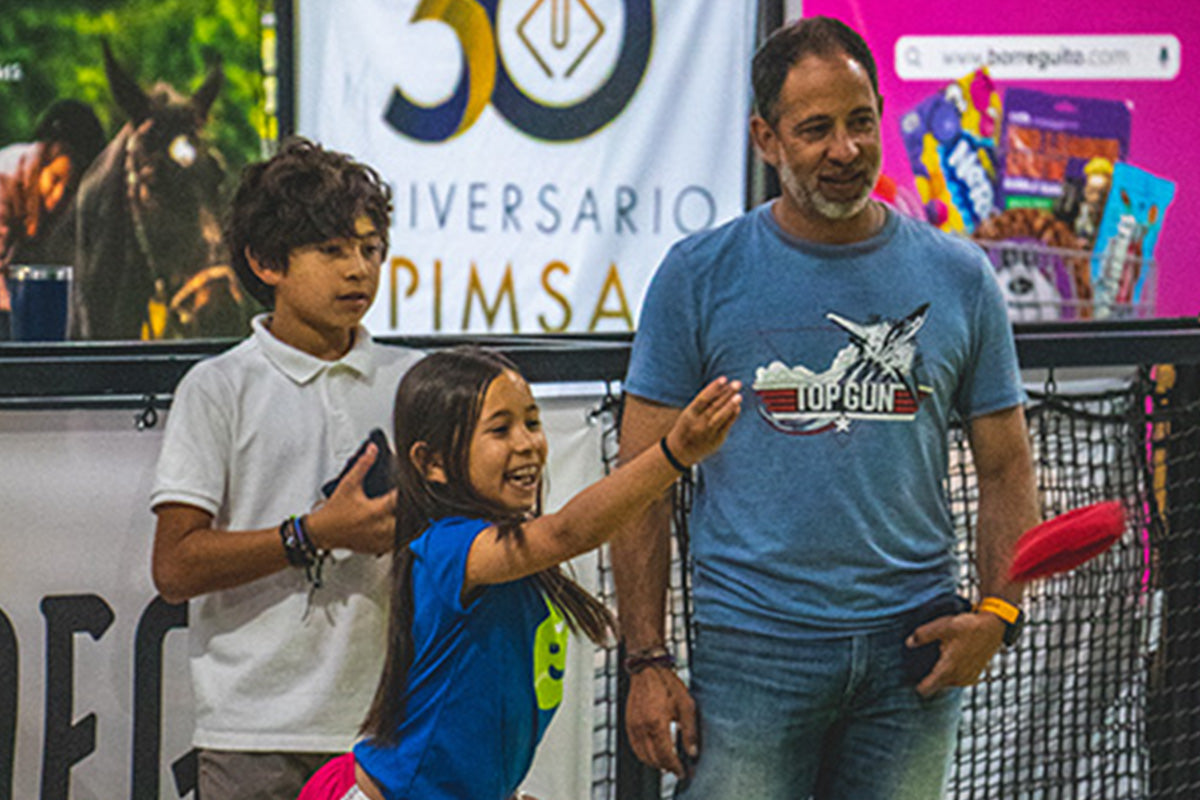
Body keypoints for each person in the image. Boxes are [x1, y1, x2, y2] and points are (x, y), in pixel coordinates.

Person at [611, 16, 1041, 800]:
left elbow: (1008, 462)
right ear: (765, 139)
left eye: (861, 121)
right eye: (815, 130)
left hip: (916, 651)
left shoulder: (961, 277)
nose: (845, 150)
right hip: (750, 652)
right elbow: (641, 481)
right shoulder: (697, 277)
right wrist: (646, 659)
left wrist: (999, 613)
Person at [296, 346, 741, 800]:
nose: (527, 443)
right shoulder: (451, 548)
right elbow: (568, 531)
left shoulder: (502, 553)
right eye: (500, 429)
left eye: (531, 422)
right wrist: (674, 453)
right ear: (432, 463)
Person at [149, 137, 424, 800]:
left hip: (389, 728)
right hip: (254, 730)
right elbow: (175, 566)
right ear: (266, 261)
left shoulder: (414, 381)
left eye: (370, 248)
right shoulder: (218, 387)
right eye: (331, 250)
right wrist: (313, 532)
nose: (358, 269)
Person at [0, 98, 106, 337]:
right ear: (44, 157)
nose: (57, 198)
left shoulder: (68, 209)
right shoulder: (4, 178)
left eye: (69, 190)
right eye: (56, 179)